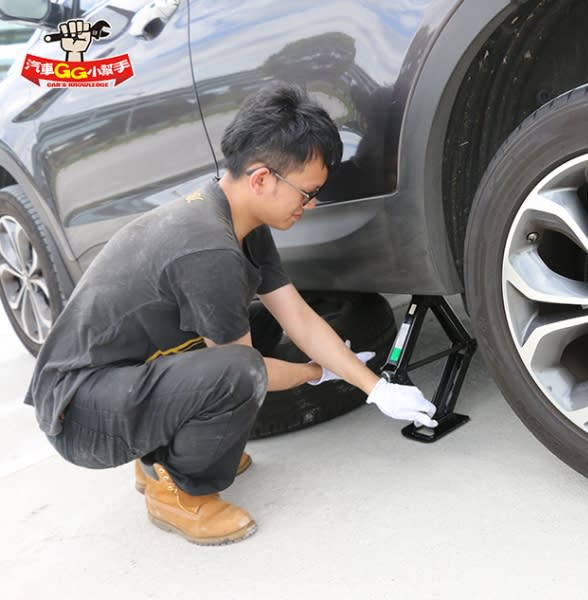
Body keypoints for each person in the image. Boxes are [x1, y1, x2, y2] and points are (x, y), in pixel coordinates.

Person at [24, 83, 438, 546]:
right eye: (307, 194)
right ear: (262, 179)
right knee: (238, 370)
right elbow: (245, 368)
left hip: (125, 377)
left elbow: (296, 317)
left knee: (257, 327)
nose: (312, 204)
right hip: (80, 413)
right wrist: (315, 373)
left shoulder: (240, 217)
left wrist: (376, 387)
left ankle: (163, 453)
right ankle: (180, 489)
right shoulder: (207, 249)